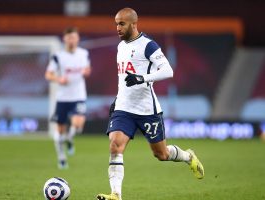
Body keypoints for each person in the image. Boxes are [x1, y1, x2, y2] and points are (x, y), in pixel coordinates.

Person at [97, 8, 204, 200]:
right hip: (124, 108)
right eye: (116, 24)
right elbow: (123, 78)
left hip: (147, 110)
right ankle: (116, 194)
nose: (118, 28)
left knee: (161, 154)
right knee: (115, 146)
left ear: (133, 24)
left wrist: (142, 78)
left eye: (121, 24)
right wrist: (117, 98)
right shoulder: (121, 46)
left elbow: (168, 71)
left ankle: (188, 156)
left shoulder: (148, 45)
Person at [45, 27, 91, 169]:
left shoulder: (83, 53)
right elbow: (48, 74)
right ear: (65, 39)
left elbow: (88, 70)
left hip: (78, 95)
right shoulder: (58, 56)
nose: (72, 40)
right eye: (69, 38)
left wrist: (86, 72)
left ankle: (70, 138)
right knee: (59, 131)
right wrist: (59, 79)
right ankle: (62, 157)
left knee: (78, 125)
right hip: (63, 98)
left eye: (74, 37)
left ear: (78, 39)